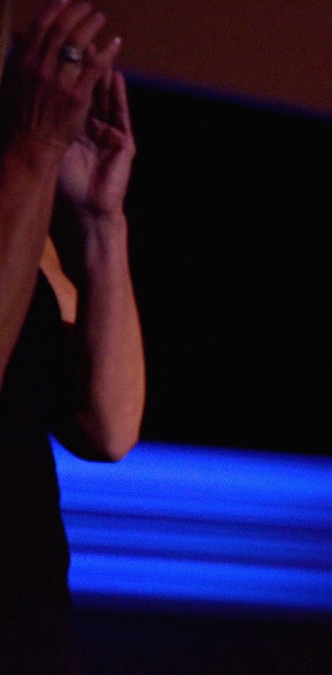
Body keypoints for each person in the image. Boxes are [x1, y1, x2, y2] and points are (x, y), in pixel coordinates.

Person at [1, 1, 143, 672]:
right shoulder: (19, 181)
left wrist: (99, 221)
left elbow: (109, 425)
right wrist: (33, 151)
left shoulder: (20, 208)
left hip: (30, 616)